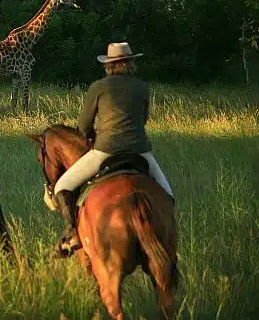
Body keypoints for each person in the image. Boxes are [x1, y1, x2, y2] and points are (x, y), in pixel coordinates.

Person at [52, 42, 173, 256]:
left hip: (105, 150)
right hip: (140, 151)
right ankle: (168, 238)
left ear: (108, 65)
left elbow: (83, 126)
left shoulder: (98, 87)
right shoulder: (142, 87)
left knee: (62, 185)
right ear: (129, 64)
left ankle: (71, 233)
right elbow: (142, 120)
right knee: (168, 195)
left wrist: (91, 135)